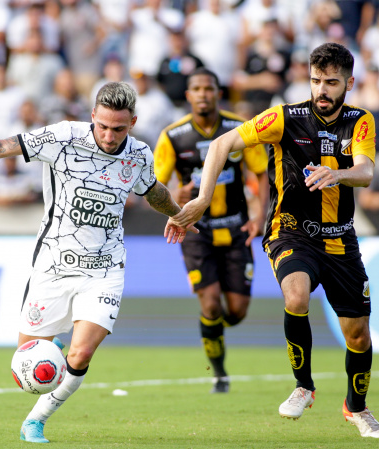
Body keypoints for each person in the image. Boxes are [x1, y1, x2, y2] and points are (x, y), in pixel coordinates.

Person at [0, 82, 196, 444]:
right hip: (53, 266)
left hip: (105, 268)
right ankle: (54, 352)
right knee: (27, 360)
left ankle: (36, 422)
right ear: (92, 115)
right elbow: (0, 148)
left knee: (82, 351)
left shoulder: (138, 155)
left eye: (118, 129)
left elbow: (153, 190)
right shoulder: (62, 137)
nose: (109, 136)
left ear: (133, 122)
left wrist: (178, 214)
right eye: (103, 126)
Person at [166, 43, 379, 438]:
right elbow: (222, 144)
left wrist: (338, 175)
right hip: (291, 232)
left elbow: (366, 170)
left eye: (332, 82)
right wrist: (202, 196)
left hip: (340, 240)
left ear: (349, 83)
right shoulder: (285, 118)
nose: (322, 89)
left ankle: (357, 407)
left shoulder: (360, 121)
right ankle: (304, 386)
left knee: (358, 334)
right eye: (316, 80)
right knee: (296, 297)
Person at [154, 67, 268, 393]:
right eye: (197, 89)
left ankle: (213, 328)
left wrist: (260, 215)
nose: (203, 94)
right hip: (195, 231)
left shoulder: (239, 129)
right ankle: (219, 373)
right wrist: (173, 198)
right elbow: (156, 184)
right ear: (188, 95)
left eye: (209, 88)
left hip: (236, 229)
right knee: (211, 304)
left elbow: (261, 171)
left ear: (219, 93)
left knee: (237, 312)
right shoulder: (173, 136)